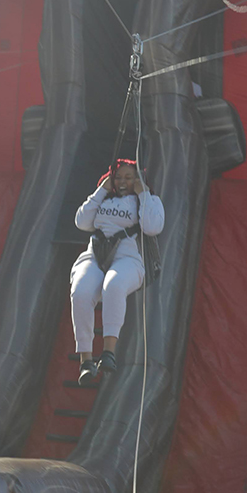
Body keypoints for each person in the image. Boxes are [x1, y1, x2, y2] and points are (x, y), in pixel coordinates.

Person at [70, 159, 164, 387]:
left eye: (129, 178)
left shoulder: (149, 200)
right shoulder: (104, 198)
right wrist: (101, 190)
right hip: (96, 255)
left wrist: (143, 193)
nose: (122, 182)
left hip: (128, 258)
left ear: (138, 180)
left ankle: (108, 352)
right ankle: (86, 360)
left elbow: (152, 227)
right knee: (80, 292)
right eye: (118, 177)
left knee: (113, 285)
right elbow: (81, 222)